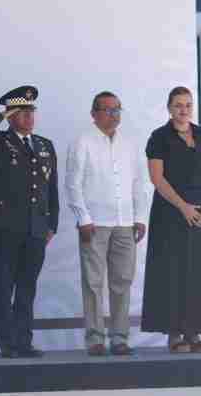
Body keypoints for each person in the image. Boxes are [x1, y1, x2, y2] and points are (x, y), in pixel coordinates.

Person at [0, 85, 59, 359]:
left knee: (27, 287)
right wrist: (1, 114)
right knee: (5, 285)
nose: (29, 116)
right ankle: (7, 343)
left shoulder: (44, 145)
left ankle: (24, 340)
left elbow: (50, 188)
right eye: (22, 112)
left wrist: (51, 224)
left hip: (36, 227)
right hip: (6, 226)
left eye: (32, 111)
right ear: (11, 116)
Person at [64, 91, 151, 356]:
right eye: (107, 110)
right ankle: (94, 338)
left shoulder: (130, 143)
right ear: (94, 113)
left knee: (122, 281)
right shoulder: (83, 141)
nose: (114, 115)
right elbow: (72, 184)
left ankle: (120, 337)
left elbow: (140, 182)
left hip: (125, 222)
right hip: (94, 223)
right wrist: (83, 218)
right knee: (93, 282)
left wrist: (139, 217)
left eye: (117, 110)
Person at [141, 86, 201, 353]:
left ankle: (195, 331)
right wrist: (183, 207)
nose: (184, 109)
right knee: (174, 273)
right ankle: (175, 333)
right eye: (178, 105)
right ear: (169, 108)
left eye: (188, 105)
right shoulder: (159, 137)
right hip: (171, 213)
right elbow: (157, 179)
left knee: (199, 272)